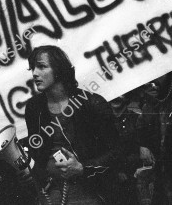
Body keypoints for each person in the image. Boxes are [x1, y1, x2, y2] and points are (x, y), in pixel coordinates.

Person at [25, 45, 123, 205]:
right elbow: (37, 152)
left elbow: (117, 152)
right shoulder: (34, 107)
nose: (35, 73)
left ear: (58, 70)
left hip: (89, 193)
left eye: (42, 66)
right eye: (33, 68)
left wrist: (83, 168)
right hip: (50, 193)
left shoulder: (91, 103)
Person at [137, 74, 172, 205]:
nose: (153, 82)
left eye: (160, 76)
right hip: (162, 173)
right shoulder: (151, 104)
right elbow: (144, 131)